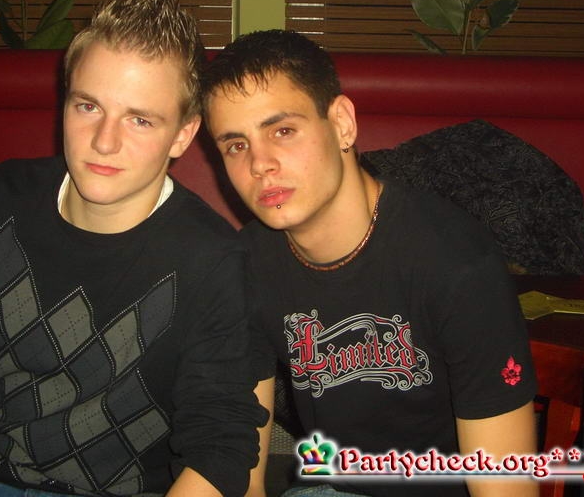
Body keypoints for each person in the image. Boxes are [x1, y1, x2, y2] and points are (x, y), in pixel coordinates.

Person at [0, 0, 267, 497]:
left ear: (182, 135)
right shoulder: (1, 198)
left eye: (140, 119)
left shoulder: (212, 259)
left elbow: (221, 445)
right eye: (88, 106)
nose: (105, 141)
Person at [199, 29, 539, 497]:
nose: (260, 164)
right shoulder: (248, 263)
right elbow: (245, 466)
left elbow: (505, 486)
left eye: (283, 131)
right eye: (236, 145)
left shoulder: (456, 262)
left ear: (342, 123)